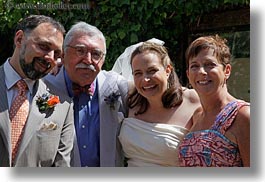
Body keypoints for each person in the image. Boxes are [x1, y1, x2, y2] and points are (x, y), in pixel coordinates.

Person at [44, 22, 129, 167]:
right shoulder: (44, 87)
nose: (88, 60)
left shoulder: (117, 86)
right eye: (80, 51)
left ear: (103, 60)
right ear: (63, 55)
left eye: (96, 54)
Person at [0, 15, 75, 167]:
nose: (50, 58)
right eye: (44, 47)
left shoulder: (63, 106)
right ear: (19, 39)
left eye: (57, 54)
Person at [118, 42, 201, 166]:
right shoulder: (130, 97)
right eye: (138, 73)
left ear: (167, 70)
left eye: (152, 71)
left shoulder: (193, 100)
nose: (145, 80)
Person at [178, 35, 250, 167]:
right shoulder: (197, 115)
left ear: (226, 71)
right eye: (194, 66)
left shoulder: (243, 115)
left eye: (209, 65)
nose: (202, 72)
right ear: (188, 74)